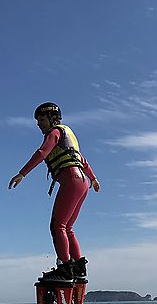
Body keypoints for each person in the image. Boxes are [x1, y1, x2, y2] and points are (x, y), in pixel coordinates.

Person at [8, 102, 100, 282]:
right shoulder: (69, 137)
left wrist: (22, 173)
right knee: (68, 228)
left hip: (72, 181)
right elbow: (83, 160)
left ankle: (65, 268)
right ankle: (78, 268)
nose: (38, 124)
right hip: (81, 182)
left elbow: (42, 152)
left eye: (41, 119)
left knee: (57, 226)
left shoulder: (55, 132)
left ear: (52, 119)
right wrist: (93, 179)